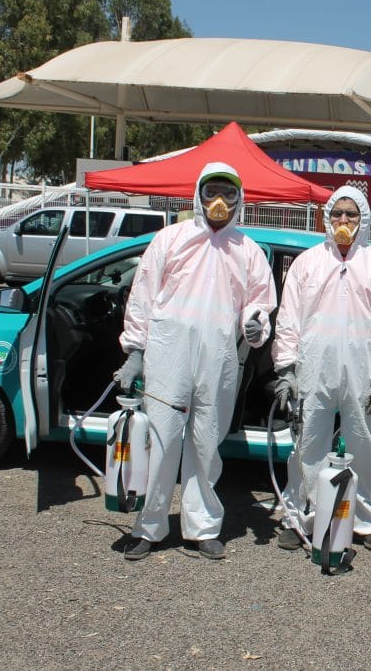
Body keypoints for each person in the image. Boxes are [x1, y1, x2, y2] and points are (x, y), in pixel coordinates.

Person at [114, 162, 277, 561]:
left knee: (206, 444)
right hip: (168, 355)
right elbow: (142, 296)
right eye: (212, 192)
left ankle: (202, 526)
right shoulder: (170, 240)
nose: (219, 202)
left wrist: (257, 326)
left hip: (220, 361)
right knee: (163, 440)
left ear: (240, 199)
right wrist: (135, 351)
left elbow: (259, 302)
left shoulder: (248, 250)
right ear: (198, 194)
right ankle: (149, 527)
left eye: (229, 193)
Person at [272, 186, 371, 553]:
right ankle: (300, 518)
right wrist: (286, 369)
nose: (344, 221)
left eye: (351, 215)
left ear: (362, 219)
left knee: (365, 446)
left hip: (363, 372)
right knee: (306, 446)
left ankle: (368, 520)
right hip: (313, 370)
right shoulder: (308, 263)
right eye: (338, 214)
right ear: (327, 218)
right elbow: (288, 321)